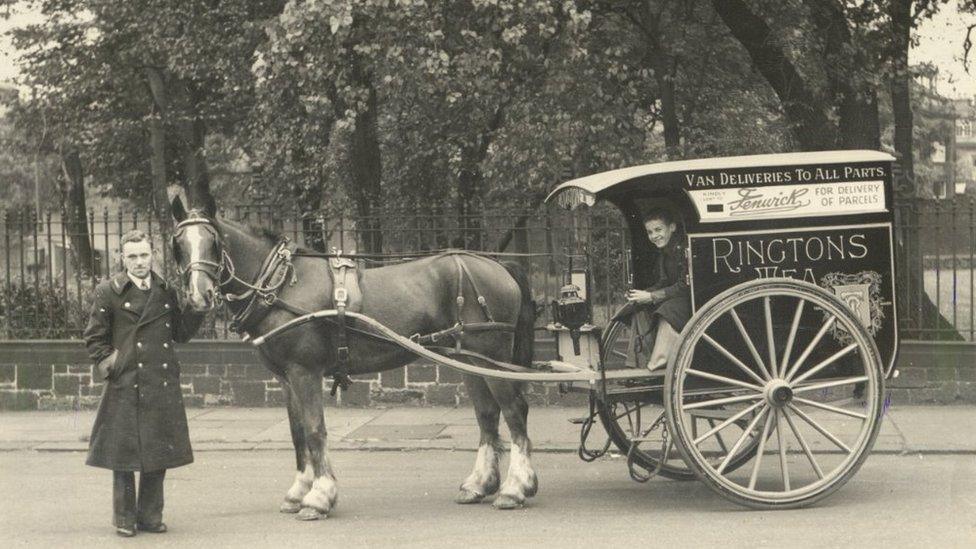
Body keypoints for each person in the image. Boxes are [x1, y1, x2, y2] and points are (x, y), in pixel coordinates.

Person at [83, 229, 204, 537]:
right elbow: (95, 338)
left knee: (157, 452)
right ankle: (124, 518)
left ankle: (150, 517)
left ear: (153, 255)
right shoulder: (108, 291)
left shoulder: (165, 290)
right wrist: (114, 365)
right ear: (122, 259)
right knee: (122, 454)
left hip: (160, 381)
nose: (139, 262)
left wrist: (198, 308)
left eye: (144, 255)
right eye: (132, 256)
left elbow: (181, 334)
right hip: (126, 382)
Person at [624, 208, 691, 371]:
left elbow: (685, 285)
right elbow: (664, 281)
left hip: (692, 300)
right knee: (639, 307)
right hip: (677, 296)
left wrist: (653, 296)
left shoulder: (684, 249)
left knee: (667, 310)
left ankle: (659, 364)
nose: (654, 236)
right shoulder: (664, 253)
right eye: (650, 232)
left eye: (658, 230)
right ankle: (638, 361)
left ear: (672, 227)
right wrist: (643, 294)